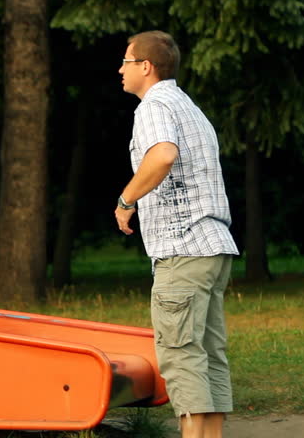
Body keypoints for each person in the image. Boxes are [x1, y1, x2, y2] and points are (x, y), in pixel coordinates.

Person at [114, 30, 239, 438]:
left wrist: (127, 199)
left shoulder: (153, 106)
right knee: (208, 355)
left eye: (126, 62)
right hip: (213, 247)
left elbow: (163, 154)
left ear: (145, 67)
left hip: (182, 249)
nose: (120, 69)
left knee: (180, 355)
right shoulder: (188, 106)